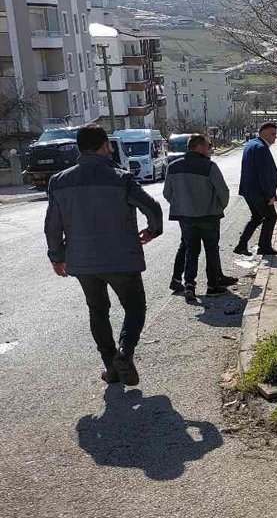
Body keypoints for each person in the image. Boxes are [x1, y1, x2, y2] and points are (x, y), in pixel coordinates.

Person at [44, 124, 162, 386]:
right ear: (105, 147)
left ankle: (111, 367)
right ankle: (125, 353)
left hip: (82, 262)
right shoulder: (121, 178)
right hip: (122, 258)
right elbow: (152, 208)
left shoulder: (59, 181)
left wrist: (57, 257)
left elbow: (52, 225)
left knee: (97, 311)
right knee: (135, 308)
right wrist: (153, 231)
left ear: (79, 148)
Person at [165, 134, 238, 298]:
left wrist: (183, 206)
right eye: (208, 146)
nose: (210, 149)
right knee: (211, 249)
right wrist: (218, 207)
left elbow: (167, 193)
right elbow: (223, 192)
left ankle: (189, 284)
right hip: (209, 216)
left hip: (185, 217)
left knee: (191, 249)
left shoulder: (173, 167)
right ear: (199, 147)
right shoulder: (209, 166)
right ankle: (213, 285)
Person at [234, 122, 277, 257]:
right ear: (263, 133)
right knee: (271, 217)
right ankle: (264, 247)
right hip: (259, 192)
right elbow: (264, 175)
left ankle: (241, 245)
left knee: (257, 217)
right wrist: (270, 194)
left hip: (249, 191)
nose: (275, 137)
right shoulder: (261, 148)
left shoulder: (251, 144)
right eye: (273, 134)